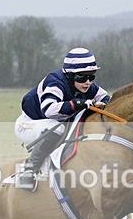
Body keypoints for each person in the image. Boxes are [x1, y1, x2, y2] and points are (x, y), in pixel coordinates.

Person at [14, 48, 112, 190]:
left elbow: (109, 100)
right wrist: (81, 103)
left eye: (92, 76)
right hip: (29, 124)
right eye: (82, 77)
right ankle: (28, 171)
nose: (88, 82)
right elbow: (49, 110)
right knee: (58, 129)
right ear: (69, 76)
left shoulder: (88, 86)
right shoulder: (55, 82)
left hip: (52, 123)